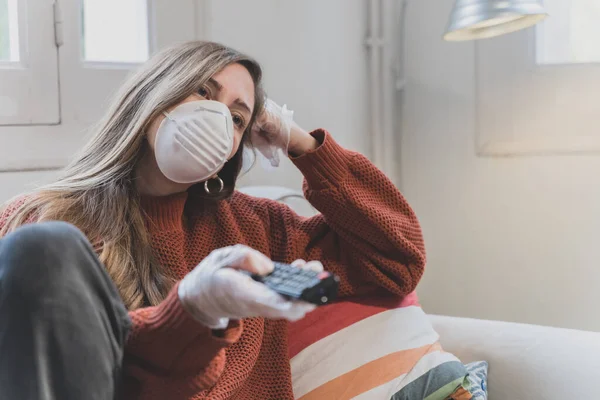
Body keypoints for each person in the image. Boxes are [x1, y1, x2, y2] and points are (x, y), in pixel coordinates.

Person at [0, 41, 426, 400]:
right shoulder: (43, 227)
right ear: (155, 94)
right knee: (43, 246)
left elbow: (398, 259)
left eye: (238, 119)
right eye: (203, 92)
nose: (217, 119)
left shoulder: (255, 230)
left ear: (232, 151)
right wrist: (197, 307)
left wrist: (299, 141)